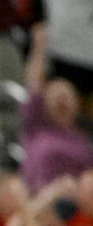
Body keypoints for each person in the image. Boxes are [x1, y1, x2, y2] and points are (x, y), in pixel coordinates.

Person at [20, 22, 93, 194]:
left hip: (76, 202)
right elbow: (34, 86)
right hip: (41, 197)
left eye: (67, 96)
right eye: (56, 96)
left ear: (77, 104)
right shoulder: (37, 125)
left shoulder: (84, 134)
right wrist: (39, 47)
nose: (62, 101)